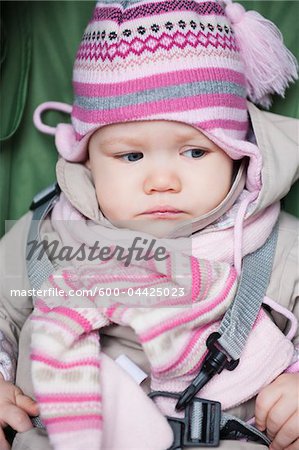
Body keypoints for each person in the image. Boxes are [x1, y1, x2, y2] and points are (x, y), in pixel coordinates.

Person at [0, 0, 298, 449]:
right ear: (87, 157)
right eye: (131, 156)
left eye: (195, 152)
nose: (162, 181)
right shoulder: (44, 235)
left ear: (240, 152)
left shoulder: (281, 248)